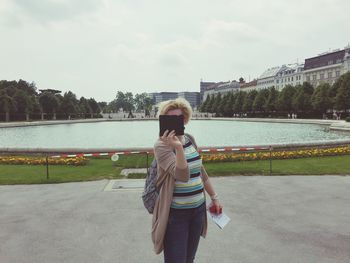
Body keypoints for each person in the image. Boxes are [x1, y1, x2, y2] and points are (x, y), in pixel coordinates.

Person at [152, 98, 223, 263]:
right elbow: (182, 175)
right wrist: (177, 147)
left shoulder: (190, 138)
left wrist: (214, 198)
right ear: (164, 121)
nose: (178, 121)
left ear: (185, 119)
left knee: (189, 259)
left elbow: (201, 172)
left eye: (180, 118)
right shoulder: (161, 145)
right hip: (176, 215)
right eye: (171, 118)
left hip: (197, 210)